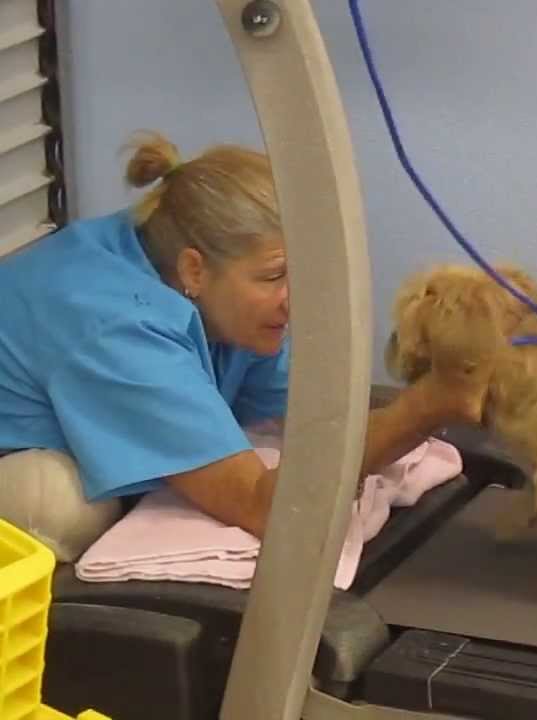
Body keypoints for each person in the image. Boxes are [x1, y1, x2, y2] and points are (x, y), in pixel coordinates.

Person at [0, 130, 486, 559]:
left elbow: (325, 417)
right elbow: (266, 507)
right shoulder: (116, 329)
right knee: (55, 504)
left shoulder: (199, 275)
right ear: (194, 270)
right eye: (274, 276)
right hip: (22, 470)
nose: (295, 301)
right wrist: (427, 404)